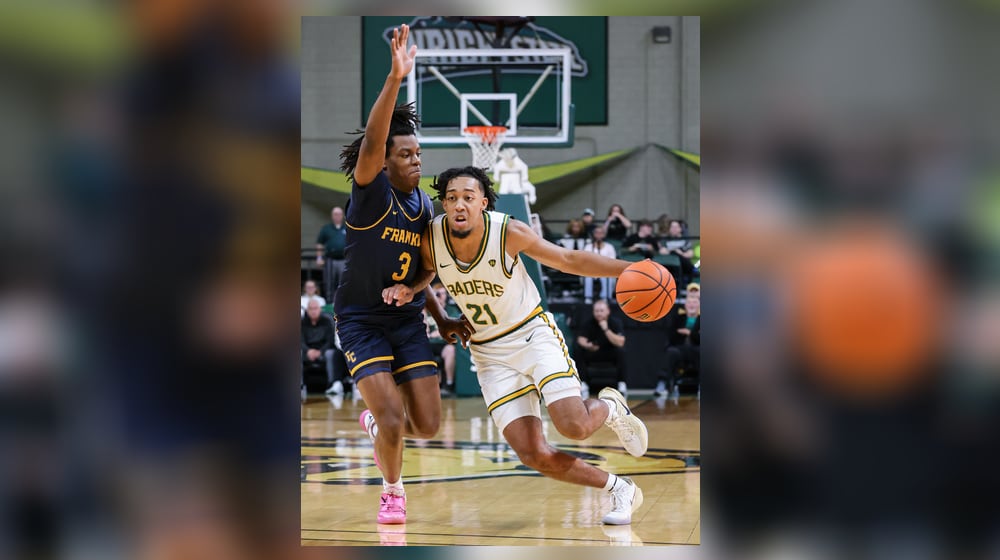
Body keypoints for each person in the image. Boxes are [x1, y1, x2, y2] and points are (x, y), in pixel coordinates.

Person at [401, 165, 649, 525]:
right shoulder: (431, 237)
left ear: (483, 203)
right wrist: (442, 319)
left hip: (531, 335)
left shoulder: (509, 231)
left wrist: (629, 269)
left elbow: (567, 259)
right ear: (443, 203)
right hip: (488, 353)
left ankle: (610, 407)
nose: (459, 205)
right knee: (533, 454)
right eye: (451, 198)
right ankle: (618, 488)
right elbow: (424, 275)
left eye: (468, 198)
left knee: (574, 426)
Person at [336, 24, 471, 525]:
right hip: (360, 320)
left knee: (428, 425)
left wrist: (442, 316)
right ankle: (392, 491)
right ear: (385, 162)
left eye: (418, 153)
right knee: (394, 420)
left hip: (409, 320)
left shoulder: (421, 204)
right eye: (406, 155)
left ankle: (378, 424)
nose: (416, 161)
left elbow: (424, 271)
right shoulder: (371, 192)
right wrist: (395, 79)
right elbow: (374, 138)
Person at [574, 299, 627, 397]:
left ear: (608, 311)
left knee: (621, 351)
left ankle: (621, 384)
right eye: (596, 311)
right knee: (578, 350)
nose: (599, 313)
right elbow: (580, 339)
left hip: (610, 352)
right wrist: (588, 345)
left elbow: (621, 342)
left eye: (601, 311)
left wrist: (606, 329)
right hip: (594, 352)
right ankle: (583, 384)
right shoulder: (588, 323)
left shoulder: (615, 322)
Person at [656, 283, 700, 397]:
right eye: (689, 302)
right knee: (671, 352)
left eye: (695, 302)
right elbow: (671, 335)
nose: (692, 304)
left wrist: (690, 333)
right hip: (680, 349)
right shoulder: (678, 316)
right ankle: (663, 384)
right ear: (685, 305)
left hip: (697, 349)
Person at [302, 298, 340, 394]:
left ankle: (333, 384)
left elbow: (331, 340)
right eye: (311, 309)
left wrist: (320, 352)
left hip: (324, 350)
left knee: (330, 354)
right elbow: (299, 340)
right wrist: (308, 351)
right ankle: (300, 385)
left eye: (315, 308)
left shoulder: (328, 321)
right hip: (307, 352)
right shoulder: (302, 322)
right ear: (307, 310)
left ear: (320, 309)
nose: (313, 311)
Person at [424, 283, 457, 396]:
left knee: (450, 350)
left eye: (443, 294)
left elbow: (453, 326)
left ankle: (449, 384)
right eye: (437, 294)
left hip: (443, 343)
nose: (441, 296)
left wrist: (435, 334)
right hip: (428, 344)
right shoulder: (426, 310)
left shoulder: (450, 309)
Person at [315, 206, 347, 301]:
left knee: (344, 282)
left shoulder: (347, 227)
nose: (337, 216)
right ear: (332, 216)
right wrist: (319, 258)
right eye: (335, 214)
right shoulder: (326, 229)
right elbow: (320, 244)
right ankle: (329, 302)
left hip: (344, 260)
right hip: (330, 260)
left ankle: (343, 302)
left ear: (342, 216)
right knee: (329, 282)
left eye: (339, 214)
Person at [582, 225, 617, 304]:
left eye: (601, 233)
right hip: (591, 270)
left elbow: (613, 260)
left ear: (604, 234)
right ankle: (588, 297)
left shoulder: (609, 247)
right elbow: (585, 259)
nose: (599, 235)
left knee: (606, 276)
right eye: (597, 233)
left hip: (605, 270)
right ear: (593, 234)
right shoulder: (588, 246)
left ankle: (605, 297)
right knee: (587, 276)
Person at [660, 219, 697, 284]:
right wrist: (673, 250)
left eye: (676, 227)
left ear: (680, 229)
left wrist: (679, 252)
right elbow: (662, 251)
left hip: (683, 266)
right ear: (669, 229)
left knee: (679, 257)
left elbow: (690, 254)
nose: (674, 229)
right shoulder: (665, 240)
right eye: (672, 227)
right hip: (669, 266)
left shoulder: (685, 240)